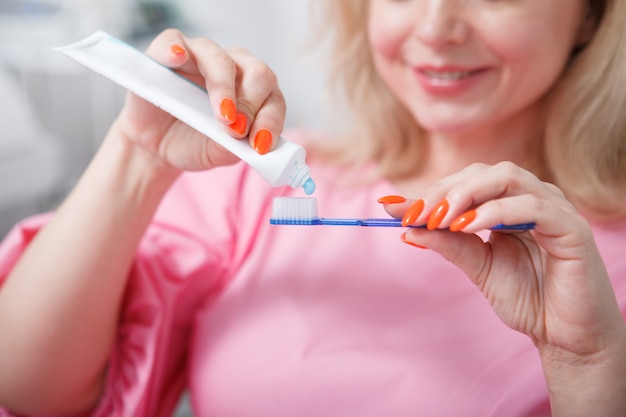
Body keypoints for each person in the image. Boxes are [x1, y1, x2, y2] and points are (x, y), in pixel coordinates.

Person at [0, 0, 625, 415]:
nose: (436, 28)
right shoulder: (246, 182)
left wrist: (586, 364)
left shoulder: (589, 269)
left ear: (592, 16)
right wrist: (140, 155)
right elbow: (27, 387)